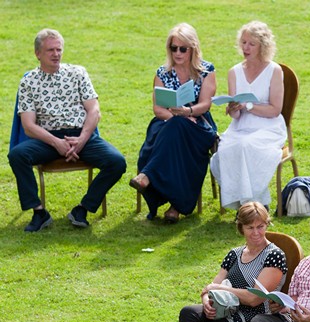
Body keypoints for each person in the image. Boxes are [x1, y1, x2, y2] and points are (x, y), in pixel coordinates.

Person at [8, 28, 126, 232]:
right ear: (38, 54)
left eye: (59, 49)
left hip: (81, 134)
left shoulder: (77, 73)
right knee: (17, 155)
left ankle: (83, 208)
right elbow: (28, 126)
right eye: (50, 50)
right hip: (47, 139)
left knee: (117, 162)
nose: (56, 54)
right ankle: (39, 212)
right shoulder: (28, 81)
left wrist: (81, 139)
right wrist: (56, 143)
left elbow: (94, 110)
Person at [130, 23, 217, 223]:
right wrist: (177, 118)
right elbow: (158, 109)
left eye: (182, 49)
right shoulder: (162, 72)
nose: (177, 53)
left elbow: (205, 103)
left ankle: (147, 176)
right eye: (173, 48)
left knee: (180, 130)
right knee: (176, 128)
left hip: (198, 123)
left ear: (192, 48)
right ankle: (176, 206)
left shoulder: (206, 70)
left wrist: (188, 112)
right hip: (166, 121)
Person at [210, 21, 287, 210]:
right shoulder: (234, 72)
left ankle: (255, 204)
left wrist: (249, 106)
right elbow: (236, 115)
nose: (246, 47)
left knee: (247, 146)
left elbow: (275, 109)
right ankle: (244, 206)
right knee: (227, 149)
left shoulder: (274, 70)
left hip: (268, 127)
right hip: (240, 126)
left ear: (263, 46)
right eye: (243, 42)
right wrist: (233, 108)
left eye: (251, 44)